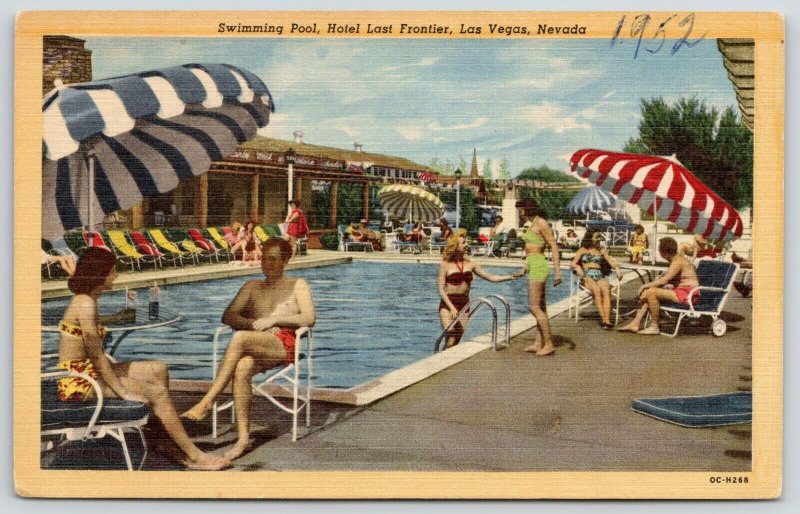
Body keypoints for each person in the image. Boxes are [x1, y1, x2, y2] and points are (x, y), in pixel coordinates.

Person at [57, 247, 230, 470]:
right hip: (78, 380)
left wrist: (115, 317)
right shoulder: (86, 303)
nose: (116, 275)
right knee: (156, 393)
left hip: (89, 370)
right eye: (113, 271)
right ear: (100, 275)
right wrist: (122, 390)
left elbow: (88, 331)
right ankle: (194, 455)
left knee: (158, 370)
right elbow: (98, 357)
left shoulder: (88, 298)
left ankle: (162, 440)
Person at [182, 238, 316, 460]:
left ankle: (208, 401)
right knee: (243, 367)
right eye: (264, 258)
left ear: (286, 260)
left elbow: (309, 318)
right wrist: (255, 324)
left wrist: (275, 320)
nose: (267, 264)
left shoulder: (297, 284)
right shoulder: (252, 287)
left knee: (240, 338)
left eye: (273, 259)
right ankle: (243, 438)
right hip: (257, 341)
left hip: (284, 344)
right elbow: (228, 315)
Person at [438, 229, 525, 349]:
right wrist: (452, 308)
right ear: (455, 246)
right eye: (463, 242)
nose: (466, 244)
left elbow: (490, 277)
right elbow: (441, 290)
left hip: (464, 304)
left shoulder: (471, 264)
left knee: (455, 341)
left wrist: (511, 276)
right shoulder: (445, 264)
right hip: (448, 304)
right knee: (451, 334)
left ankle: (442, 360)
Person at [617, 237, 700, 335]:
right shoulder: (676, 259)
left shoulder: (678, 261)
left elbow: (664, 280)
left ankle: (654, 326)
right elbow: (674, 279)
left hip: (688, 294)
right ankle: (635, 323)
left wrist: (645, 285)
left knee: (651, 291)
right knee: (648, 293)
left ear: (664, 252)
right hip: (682, 291)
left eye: (659, 248)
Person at [517, 199, 562, 356]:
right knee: (541, 307)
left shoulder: (541, 222)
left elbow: (554, 246)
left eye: (520, 209)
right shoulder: (531, 223)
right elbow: (529, 250)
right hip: (532, 264)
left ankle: (549, 344)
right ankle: (538, 342)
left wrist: (557, 271)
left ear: (526, 208)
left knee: (534, 307)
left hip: (539, 265)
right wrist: (524, 267)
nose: (519, 212)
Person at [571, 230, 623, 329]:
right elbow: (573, 263)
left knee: (606, 290)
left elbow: (612, 263)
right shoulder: (583, 250)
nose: (599, 239)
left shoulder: (601, 250)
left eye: (600, 237)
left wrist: (617, 269)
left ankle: (607, 320)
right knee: (597, 290)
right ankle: (603, 319)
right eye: (596, 237)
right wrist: (578, 268)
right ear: (590, 238)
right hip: (587, 275)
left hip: (599, 275)